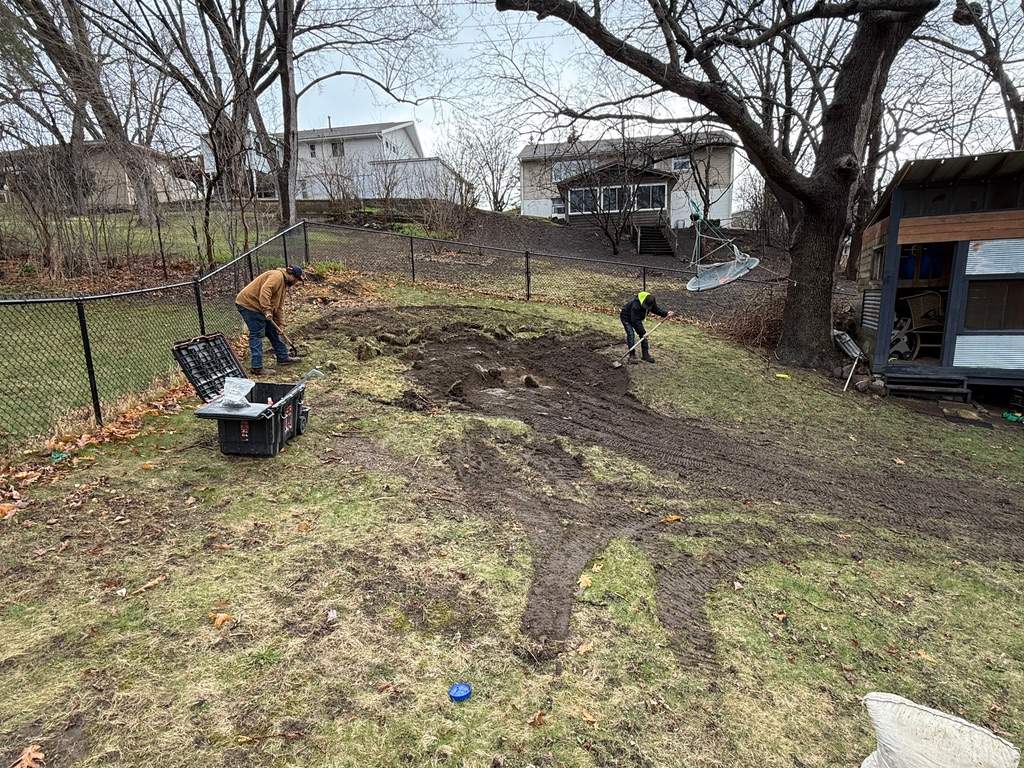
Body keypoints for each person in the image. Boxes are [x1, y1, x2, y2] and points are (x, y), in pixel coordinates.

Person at [235, 265, 305, 374]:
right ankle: (257, 368)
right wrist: (267, 310)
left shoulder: (283, 284)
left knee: (273, 331)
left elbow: (279, 307)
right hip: (249, 305)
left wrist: (280, 324)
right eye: (297, 279)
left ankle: (283, 357)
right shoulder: (277, 276)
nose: (296, 282)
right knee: (257, 334)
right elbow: (265, 291)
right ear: (292, 275)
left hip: (259, 307)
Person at [619, 291, 673, 364]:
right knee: (631, 334)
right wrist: (643, 332)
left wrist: (666, 313)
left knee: (644, 336)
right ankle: (632, 356)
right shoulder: (636, 305)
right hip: (626, 317)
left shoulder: (651, 300)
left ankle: (645, 355)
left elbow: (656, 310)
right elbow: (635, 321)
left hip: (636, 319)